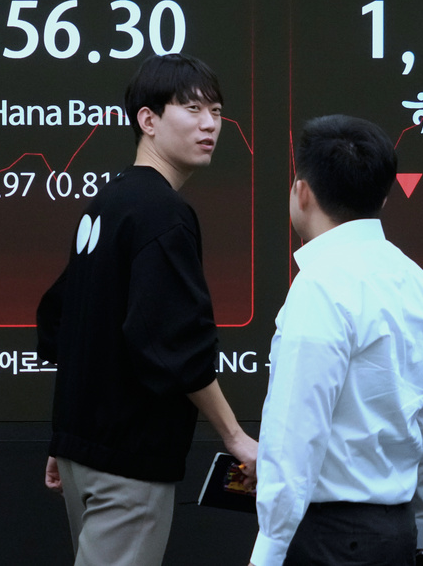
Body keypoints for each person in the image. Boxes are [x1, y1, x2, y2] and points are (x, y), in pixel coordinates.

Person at [36, 53, 257, 566]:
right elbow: (175, 342)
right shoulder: (163, 212)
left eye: (217, 112)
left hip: (85, 452)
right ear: (148, 120)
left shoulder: (106, 203)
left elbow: (66, 325)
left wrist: (65, 437)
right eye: (192, 108)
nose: (209, 125)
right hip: (127, 460)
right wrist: (235, 435)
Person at [249, 115, 423, 566]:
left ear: (302, 191)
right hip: (396, 533)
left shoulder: (319, 286)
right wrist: (422, 529)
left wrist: (268, 551)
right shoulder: (421, 285)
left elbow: (293, 435)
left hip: (329, 539)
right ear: (382, 196)